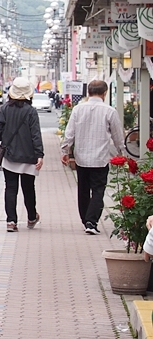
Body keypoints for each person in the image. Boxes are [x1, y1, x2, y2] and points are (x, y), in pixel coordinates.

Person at [61, 80, 125, 235]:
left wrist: (65, 150)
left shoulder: (78, 109)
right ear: (104, 93)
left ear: (88, 92)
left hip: (81, 158)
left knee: (83, 189)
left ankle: (86, 220)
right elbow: (118, 136)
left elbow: (70, 132)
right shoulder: (109, 111)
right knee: (98, 190)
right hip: (100, 159)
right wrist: (121, 153)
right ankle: (91, 221)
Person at [0, 77, 44, 232]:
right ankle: (32, 217)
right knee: (28, 188)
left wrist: (3, 138)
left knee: (10, 188)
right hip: (28, 155)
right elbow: (36, 134)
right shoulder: (31, 111)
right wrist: (39, 154)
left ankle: (11, 221)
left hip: (9, 154)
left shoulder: (5, 109)